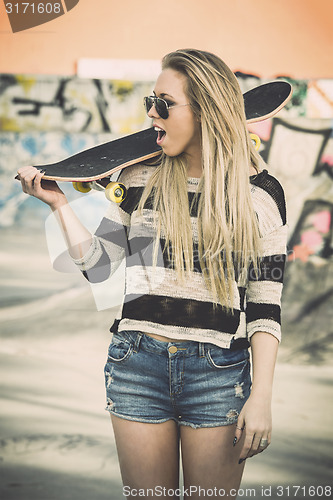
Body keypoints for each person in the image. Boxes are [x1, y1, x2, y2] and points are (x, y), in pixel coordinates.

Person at [17, 49, 288, 499]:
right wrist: (60, 206)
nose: (151, 113)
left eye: (164, 103)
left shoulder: (260, 194)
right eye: (150, 101)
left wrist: (261, 396)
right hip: (135, 364)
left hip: (217, 374)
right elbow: (100, 265)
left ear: (205, 111)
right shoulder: (139, 178)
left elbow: (265, 303)